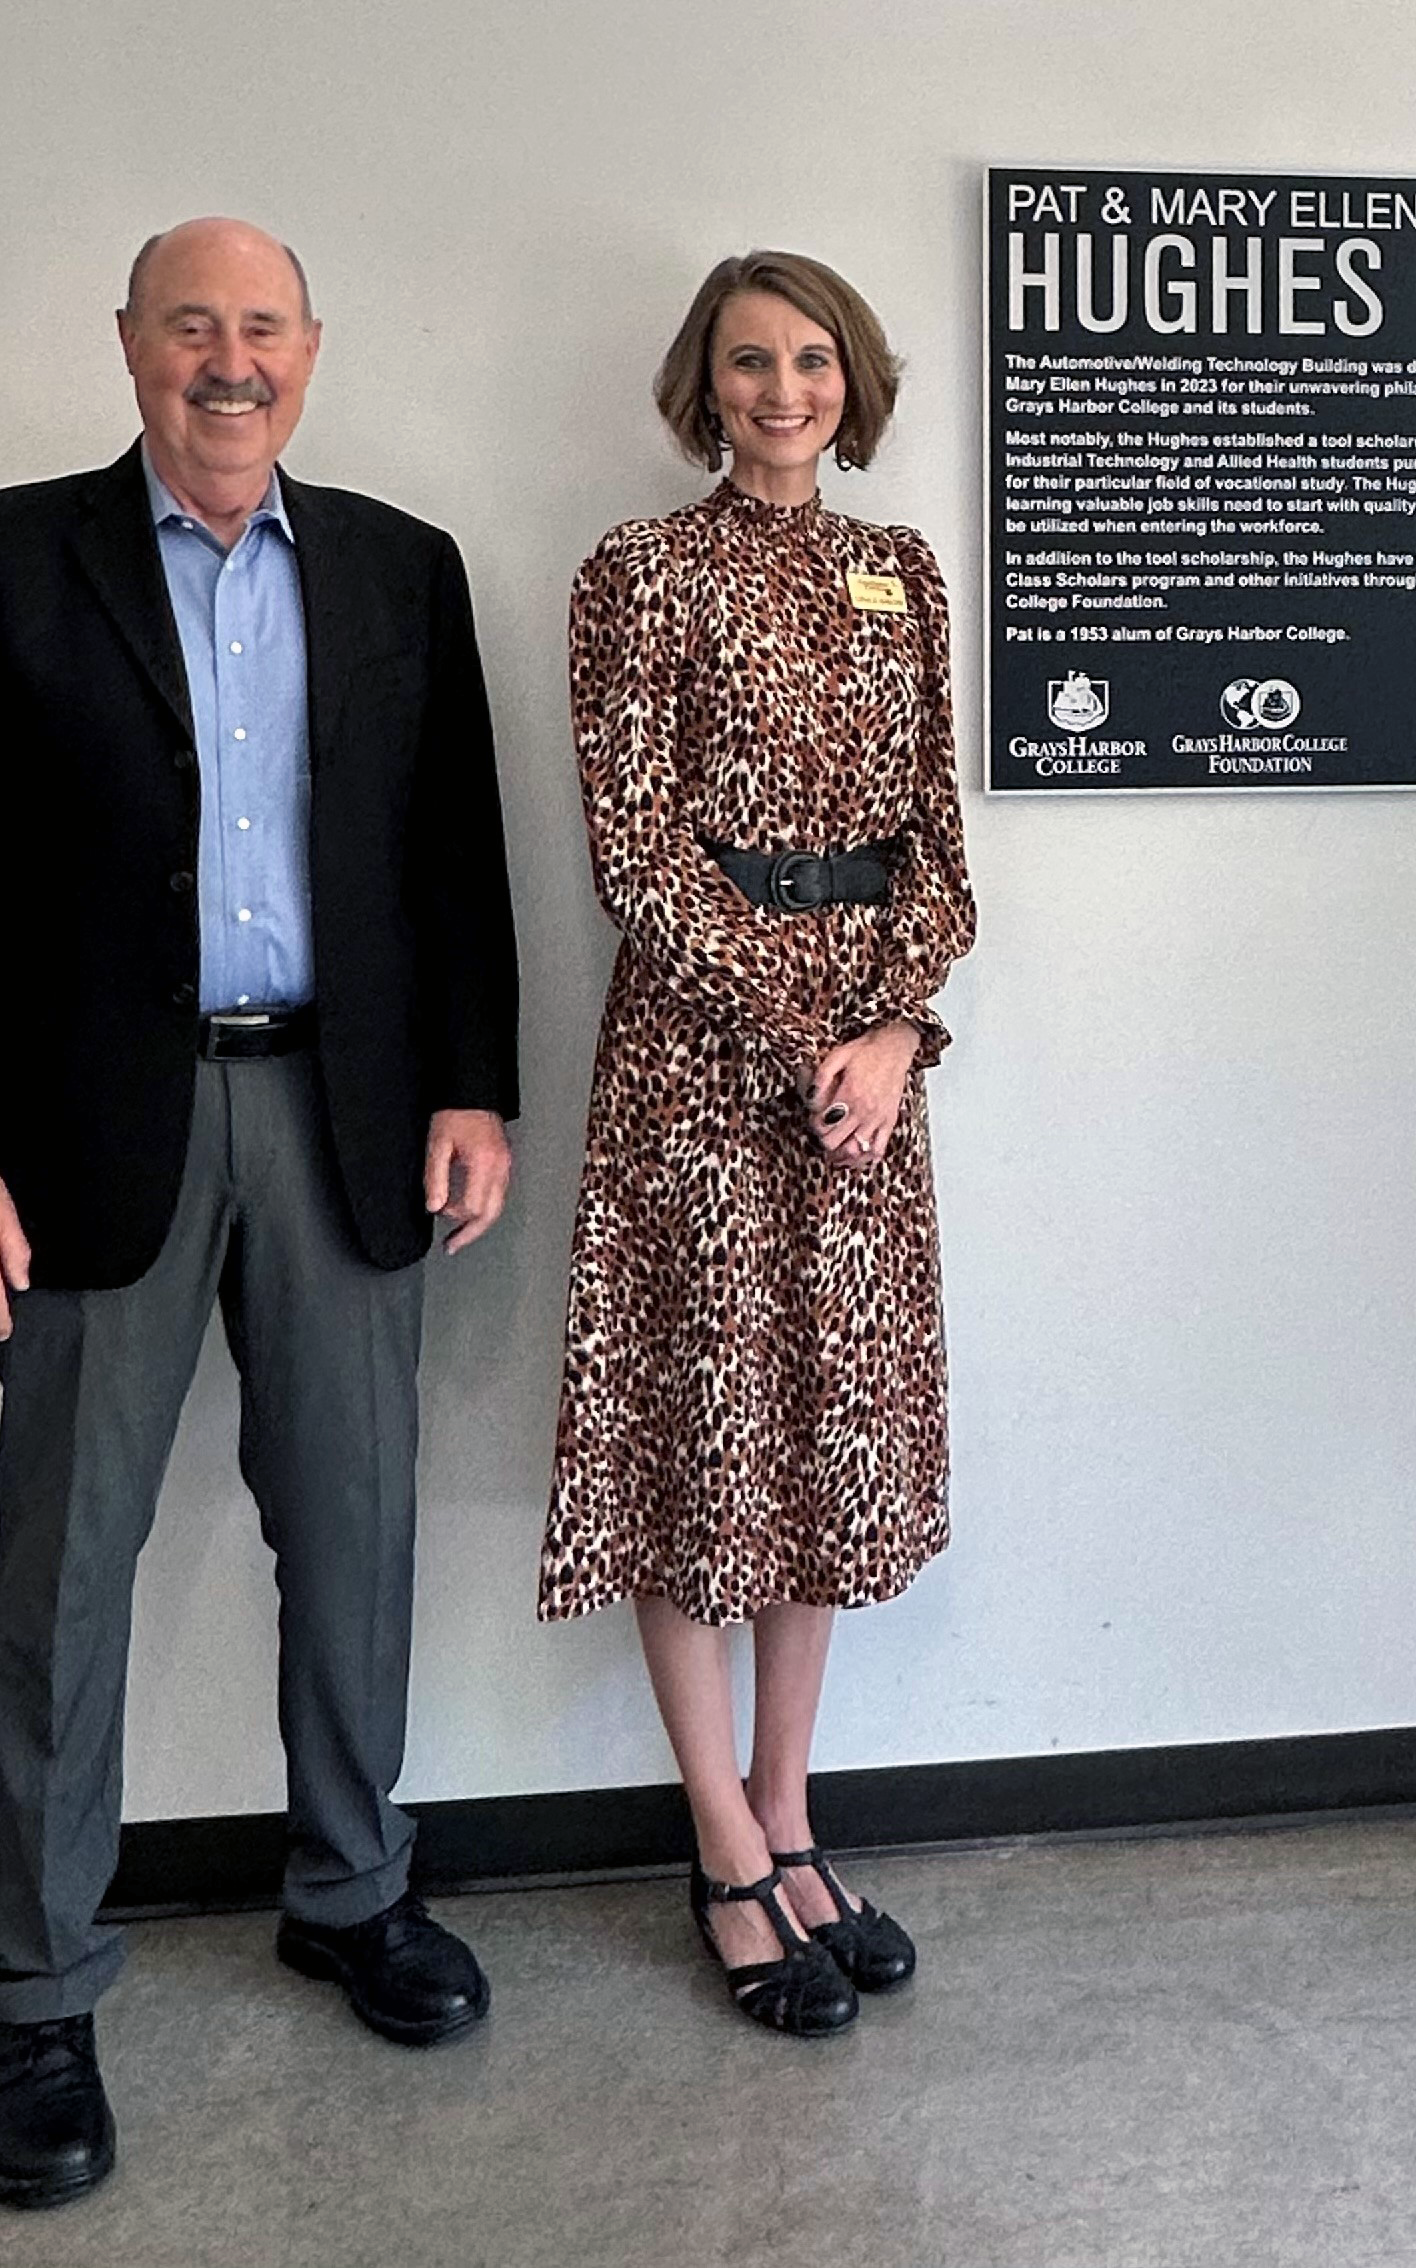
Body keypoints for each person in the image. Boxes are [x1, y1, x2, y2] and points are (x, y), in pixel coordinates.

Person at [0, 219, 520, 2208]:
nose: (227, 363)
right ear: (130, 347)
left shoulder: (402, 567)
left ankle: (351, 1889)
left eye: (260, 330)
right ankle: (41, 1995)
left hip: (346, 1118)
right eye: (189, 328)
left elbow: (453, 859)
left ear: (310, 352)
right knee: (67, 1564)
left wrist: (475, 1084)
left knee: (360, 1525)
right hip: (82, 1144)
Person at [540, 250, 975, 2038]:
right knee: (696, 1438)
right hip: (699, 1074)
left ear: (850, 380)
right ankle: (717, 1840)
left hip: (866, 1082)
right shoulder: (637, 574)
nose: (783, 390)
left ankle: (794, 1818)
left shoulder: (903, 572)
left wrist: (887, 1033)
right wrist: (802, 1032)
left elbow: (938, 840)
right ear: (700, 385)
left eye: (811, 361)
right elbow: (634, 853)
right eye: (748, 363)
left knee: (826, 1456)